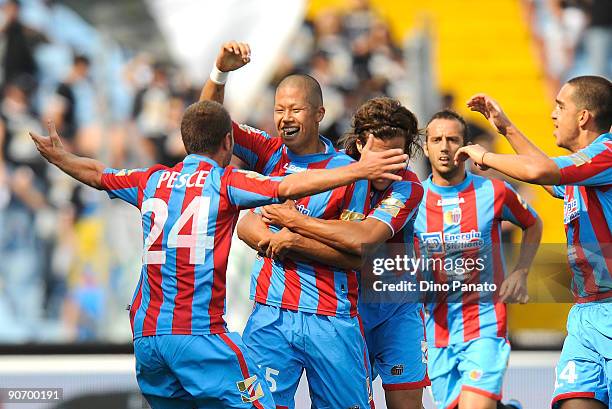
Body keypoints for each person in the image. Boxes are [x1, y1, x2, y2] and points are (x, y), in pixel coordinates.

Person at [29, 100, 407, 409]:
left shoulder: (151, 179)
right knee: (261, 405)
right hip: (200, 336)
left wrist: (60, 158)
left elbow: (98, 173)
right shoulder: (224, 182)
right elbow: (290, 184)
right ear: (228, 142)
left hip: (146, 339)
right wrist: (359, 170)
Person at [200, 41, 376, 408]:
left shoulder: (350, 172)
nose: (285, 118)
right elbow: (208, 123)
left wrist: (290, 239)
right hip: (269, 317)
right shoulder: (269, 153)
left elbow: (353, 254)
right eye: (280, 109)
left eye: (295, 109)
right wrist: (221, 71)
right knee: (252, 404)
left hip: (331, 317)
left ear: (319, 114)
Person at [258, 96, 429, 409]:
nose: (387, 164)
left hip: (396, 312)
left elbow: (364, 238)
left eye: (397, 156)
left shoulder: (408, 187)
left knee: (405, 403)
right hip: (347, 310)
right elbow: (253, 222)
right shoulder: (334, 175)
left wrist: (295, 223)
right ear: (361, 146)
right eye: (380, 153)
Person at [457, 75, 611, 409]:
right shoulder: (579, 171)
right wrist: (506, 127)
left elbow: (540, 172)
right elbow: (548, 177)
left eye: (560, 107)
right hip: (585, 312)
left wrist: (485, 157)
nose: (553, 115)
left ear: (583, 116)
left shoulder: (608, 153)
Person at [415, 110, 543, 409]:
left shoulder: (493, 191)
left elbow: (533, 223)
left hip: (485, 324)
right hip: (435, 331)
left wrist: (520, 272)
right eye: (436, 140)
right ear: (425, 147)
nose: (444, 147)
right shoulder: (412, 198)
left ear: (465, 146)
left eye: (452, 139)